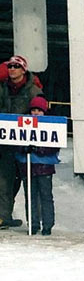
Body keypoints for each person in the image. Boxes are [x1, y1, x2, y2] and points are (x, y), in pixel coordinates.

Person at [0, 55, 42, 229]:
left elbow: (41, 111)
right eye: (10, 66)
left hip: (26, 145)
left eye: (16, 66)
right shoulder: (3, 88)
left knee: (29, 183)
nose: (12, 69)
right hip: (6, 144)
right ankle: (3, 216)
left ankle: (34, 221)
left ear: (23, 69)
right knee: (4, 181)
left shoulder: (33, 89)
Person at [15, 97, 59, 235]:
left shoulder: (51, 126)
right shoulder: (23, 125)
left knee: (46, 196)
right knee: (31, 196)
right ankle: (33, 224)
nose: (35, 113)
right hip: (27, 166)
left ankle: (47, 224)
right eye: (33, 110)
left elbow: (54, 145)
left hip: (45, 167)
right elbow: (16, 141)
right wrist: (24, 149)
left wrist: (39, 149)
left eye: (39, 111)